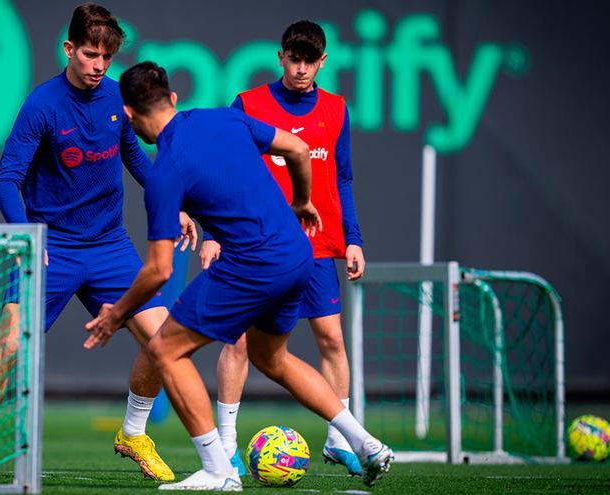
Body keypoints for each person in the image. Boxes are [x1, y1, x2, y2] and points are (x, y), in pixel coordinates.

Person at [85, 61, 392, 491]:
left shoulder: (165, 172)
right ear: (173, 99)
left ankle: (218, 469)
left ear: (130, 116)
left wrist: (116, 315)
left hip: (252, 265)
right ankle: (366, 444)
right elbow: (299, 150)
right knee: (272, 358)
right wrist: (303, 202)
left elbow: (159, 270)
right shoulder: (225, 118)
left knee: (165, 351)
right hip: (299, 254)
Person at [0, 4, 194, 482]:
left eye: (107, 56)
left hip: (109, 247)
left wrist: (176, 204)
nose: (99, 65)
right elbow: (7, 181)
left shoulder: (117, 99)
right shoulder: (41, 105)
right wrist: (27, 234)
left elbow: (139, 162)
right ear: (68, 49)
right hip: (51, 246)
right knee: (8, 346)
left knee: (167, 339)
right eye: (89, 54)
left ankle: (133, 431)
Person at [202, 20, 365, 476]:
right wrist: (214, 232)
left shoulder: (335, 109)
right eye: (294, 58)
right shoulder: (249, 105)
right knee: (236, 341)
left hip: (315, 247)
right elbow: (225, 173)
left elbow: (344, 178)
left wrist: (353, 238)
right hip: (254, 245)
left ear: (323, 61)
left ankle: (339, 439)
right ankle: (227, 445)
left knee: (331, 338)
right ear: (280, 57)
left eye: (310, 60)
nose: (301, 68)